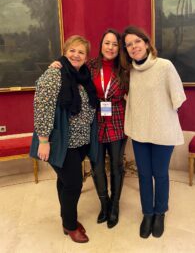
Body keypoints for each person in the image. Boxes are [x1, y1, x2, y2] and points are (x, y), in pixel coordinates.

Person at [50, 29, 128, 229]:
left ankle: (115, 207)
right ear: (101, 45)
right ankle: (104, 205)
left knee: (117, 166)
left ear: (119, 48)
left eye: (115, 44)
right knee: (97, 166)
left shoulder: (126, 69)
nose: (110, 47)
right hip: (94, 122)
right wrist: (57, 65)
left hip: (118, 119)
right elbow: (69, 70)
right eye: (107, 43)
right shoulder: (89, 66)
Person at [120, 26, 186, 239]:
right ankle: (147, 213)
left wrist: (160, 116)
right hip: (140, 132)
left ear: (146, 43)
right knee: (144, 176)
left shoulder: (164, 66)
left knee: (160, 174)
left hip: (162, 132)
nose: (133, 47)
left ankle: (160, 213)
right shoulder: (129, 71)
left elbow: (178, 98)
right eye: (129, 45)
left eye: (137, 42)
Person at [33, 35, 97, 243]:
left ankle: (65, 219)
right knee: (73, 184)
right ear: (65, 50)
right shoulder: (55, 74)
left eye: (81, 52)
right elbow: (42, 108)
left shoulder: (83, 75)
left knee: (64, 181)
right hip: (61, 142)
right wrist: (43, 141)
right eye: (72, 50)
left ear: (86, 57)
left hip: (79, 141)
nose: (76, 55)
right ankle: (70, 226)